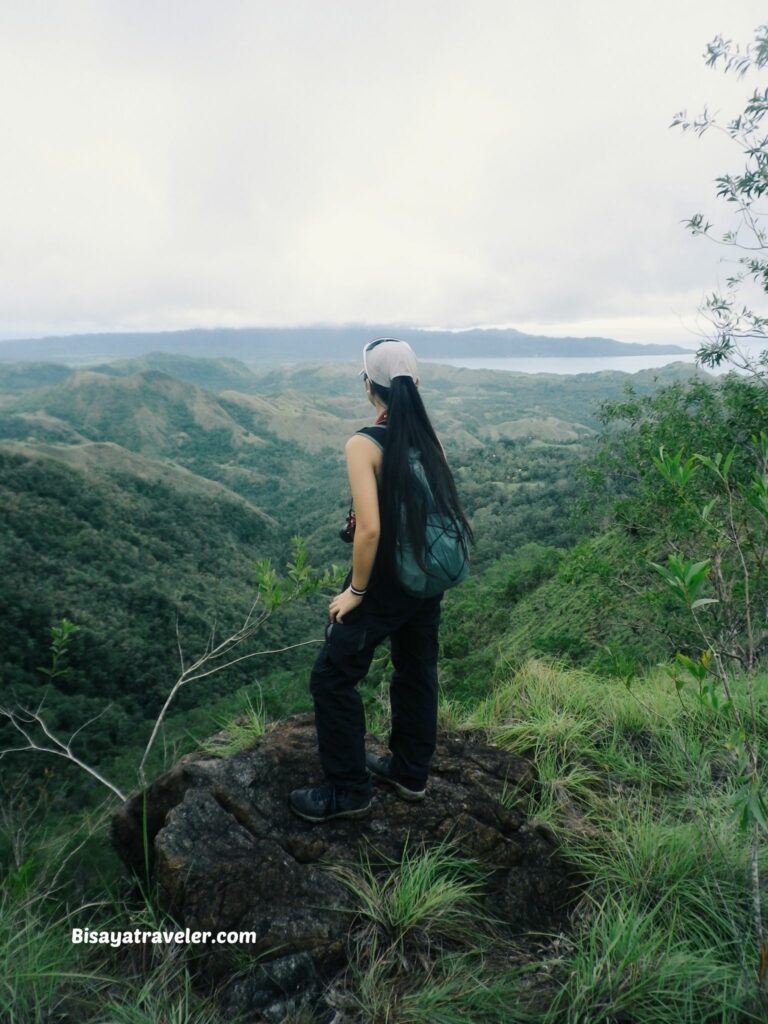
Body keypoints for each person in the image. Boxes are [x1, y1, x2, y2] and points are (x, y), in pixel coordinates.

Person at [290, 338, 473, 823]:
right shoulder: (430, 439)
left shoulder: (364, 443)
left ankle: (349, 791)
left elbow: (369, 530)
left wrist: (356, 592)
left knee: (332, 676)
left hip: (387, 578)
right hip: (427, 574)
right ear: (416, 384)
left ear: (369, 386)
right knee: (416, 669)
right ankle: (411, 773)